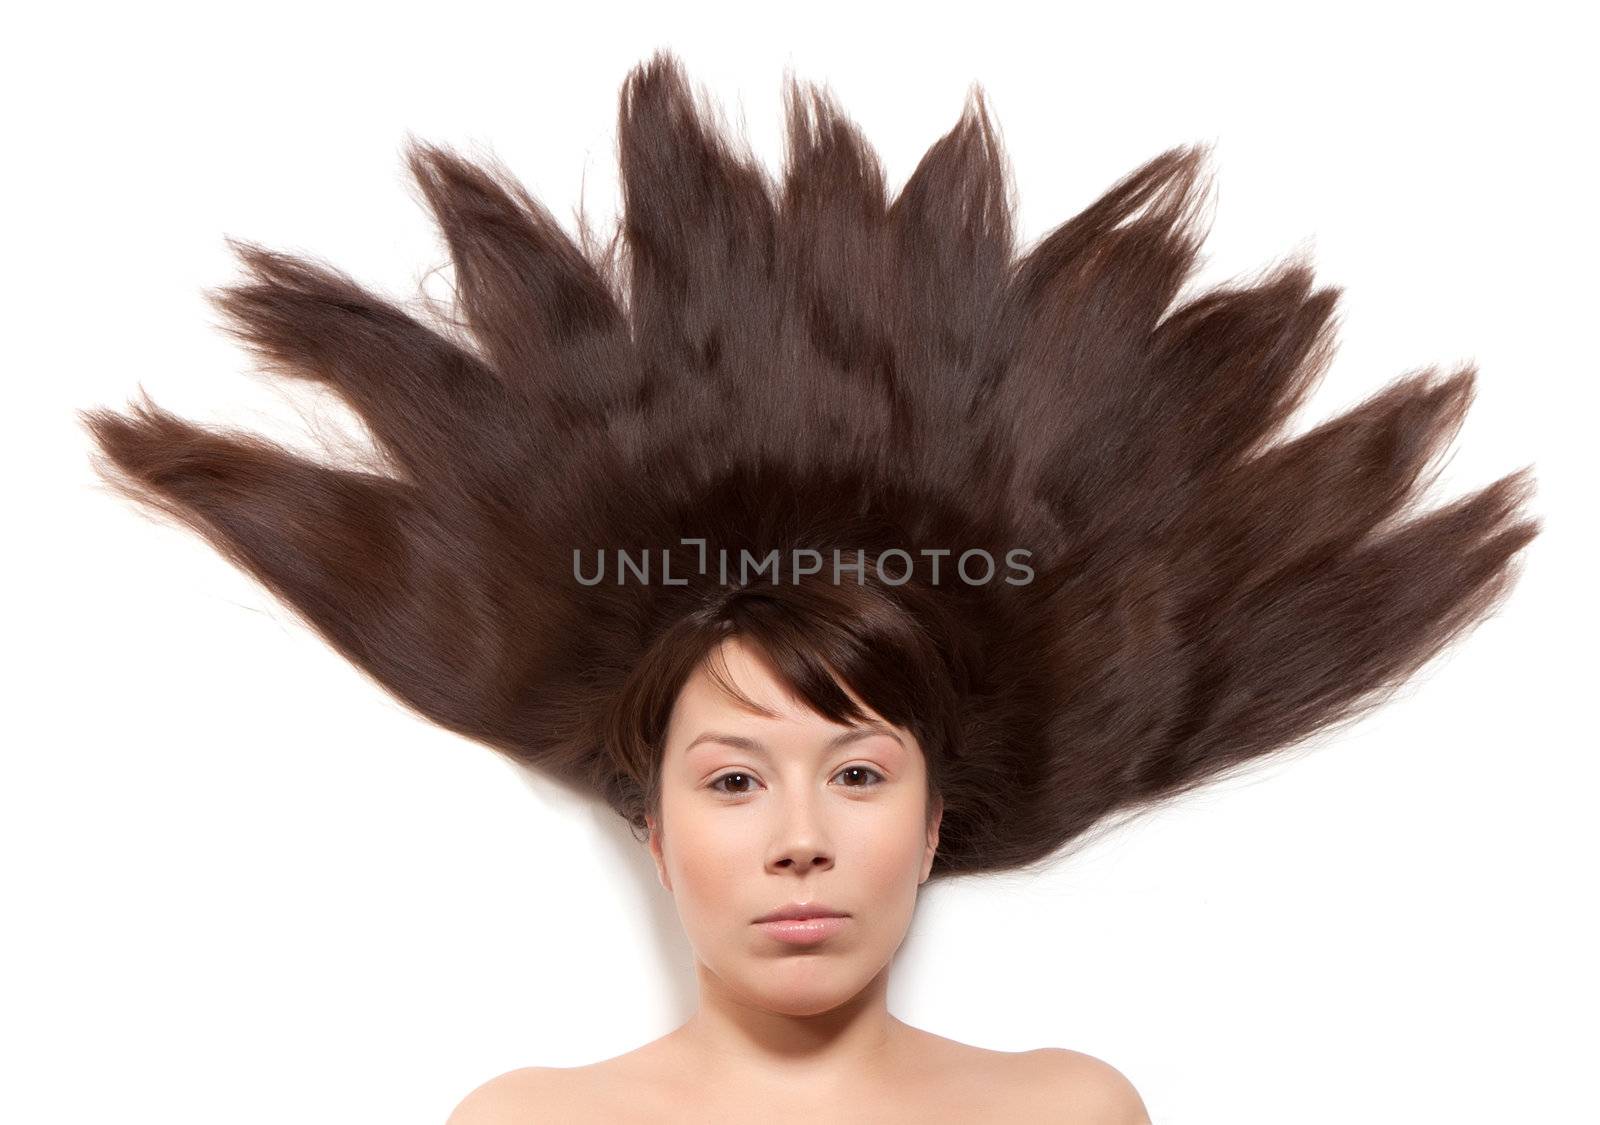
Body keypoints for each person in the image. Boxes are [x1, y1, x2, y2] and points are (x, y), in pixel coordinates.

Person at [78, 48, 1538, 1123]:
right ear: (651, 833)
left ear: (933, 819)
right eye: (731, 781)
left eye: (855, 772)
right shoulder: (525, 1123)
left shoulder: (1068, 1112)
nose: (799, 840)